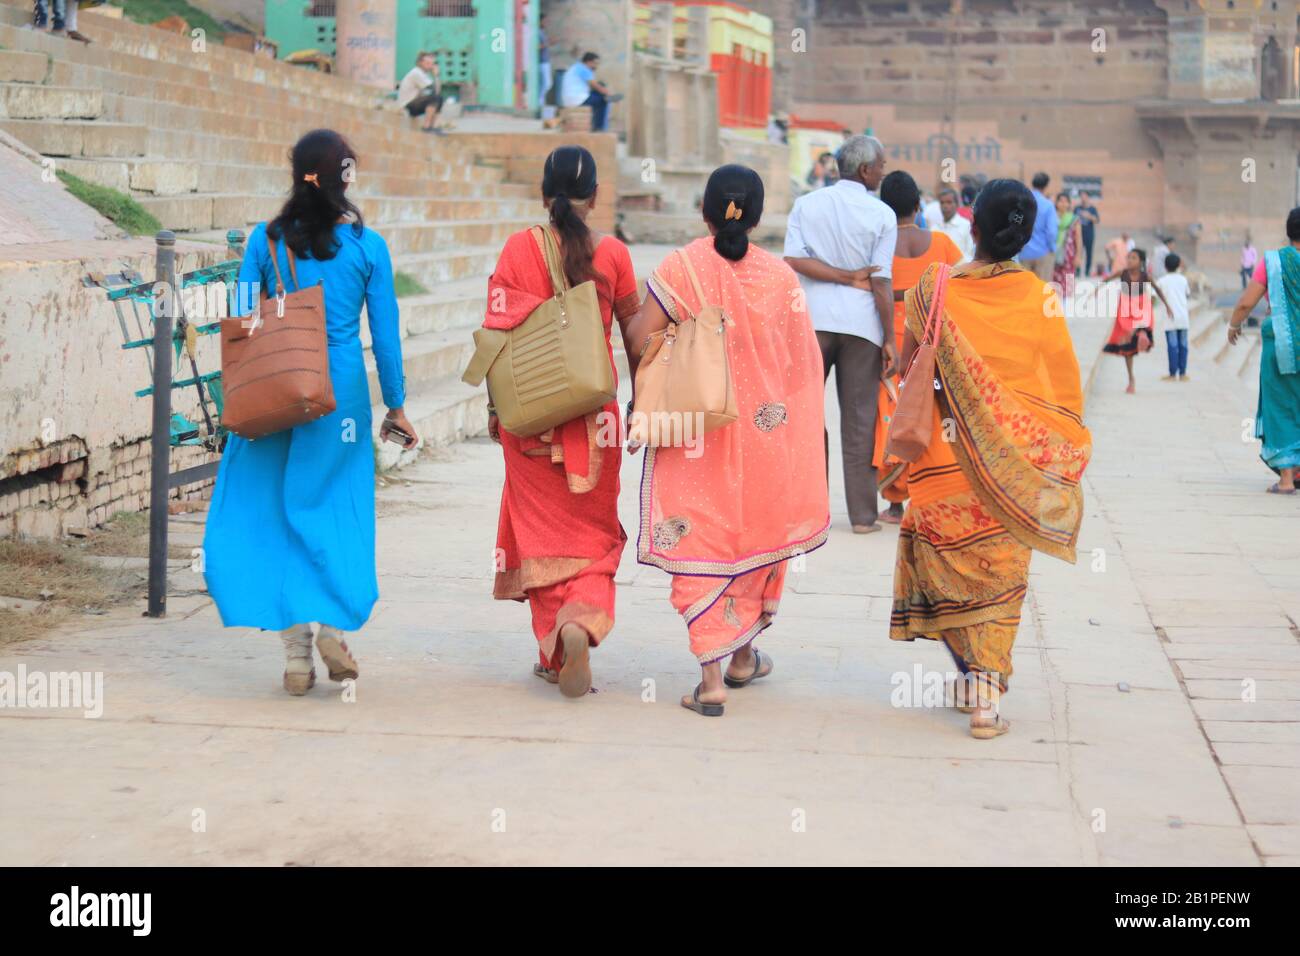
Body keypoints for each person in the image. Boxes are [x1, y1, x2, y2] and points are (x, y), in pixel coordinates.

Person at [203, 129, 415, 696]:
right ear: (345, 176)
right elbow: (386, 335)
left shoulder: (264, 240)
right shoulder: (368, 245)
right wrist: (394, 401)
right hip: (339, 392)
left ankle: (296, 654)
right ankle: (333, 626)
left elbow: (245, 320)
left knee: (273, 510)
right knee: (333, 509)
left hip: (276, 384)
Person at [890, 178, 1092, 739]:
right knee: (1001, 579)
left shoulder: (935, 286)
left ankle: (971, 674)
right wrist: (1053, 449)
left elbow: (907, 367)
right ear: (1025, 239)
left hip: (941, 461)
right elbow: (1063, 392)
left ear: (972, 228)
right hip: (1011, 466)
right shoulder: (1040, 297)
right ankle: (985, 694)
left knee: (945, 565)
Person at [625, 165, 830, 717]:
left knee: (700, 541)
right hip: (765, 436)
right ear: (759, 218)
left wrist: (646, 390)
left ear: (705, 211)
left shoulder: (681, 266)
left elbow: (641, 336)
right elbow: (800, 367)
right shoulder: (782, 279)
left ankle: (714, 677)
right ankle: (741, 655)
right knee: (750, 539)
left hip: (696, 430)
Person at [483, 145, 639, 697]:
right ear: (595, 196)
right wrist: (641, 403)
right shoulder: (615, 255)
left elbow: (496, 335)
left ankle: (555, 646)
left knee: (544, 537)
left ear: (543, 195)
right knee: (593, 537)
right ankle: (583, 620)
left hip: (529, 420)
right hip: (597, 422)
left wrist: (494, 411)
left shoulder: (516, 249)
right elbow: (636, 338)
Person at [783, 134, 896, 533]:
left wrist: (837, 276)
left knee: (807, 415)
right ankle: (864, 517)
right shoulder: (882, 214)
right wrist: (890, 338)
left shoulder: (806, 205)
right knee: (860, 419)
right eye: (881, 165)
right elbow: (881, 283)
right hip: (862, 325)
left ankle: (808, 513)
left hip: (811, 321)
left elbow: (794, 260)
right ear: (866, 170)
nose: (884, 171)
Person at [874, 170, 963, 525]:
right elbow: (962, 284)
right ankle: (930, 497)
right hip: (932, 343)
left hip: (890, 343)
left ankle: (895, 503)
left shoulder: (879, 244)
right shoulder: (942, 243)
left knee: (893, 416)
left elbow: (874, 289)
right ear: (918, 205)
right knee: (930, 413)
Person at [1227, 207, 1300, 494]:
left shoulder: (1272, 262)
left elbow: (1246, 302)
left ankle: (1285, 478)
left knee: (1280, 405)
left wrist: (1234, 325)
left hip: (1282, 345)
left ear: (1288, 230)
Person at [1102, 248, 1172, 394]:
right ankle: (1131, 379)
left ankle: (1142, 334)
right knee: (1128, 349)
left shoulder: (1145, 276)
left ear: (1140, 262)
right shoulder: (1123, 273)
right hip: (1125, 312)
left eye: (1133, 258)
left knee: (1141, 326)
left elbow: (1158, 290)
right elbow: (1106, 280)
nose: (1129, 260)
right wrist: (1095, 290)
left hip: (1141, 309)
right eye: (1128, 257)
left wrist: (1167, 306)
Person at [559, 52, 621, 132]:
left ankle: (596, 125)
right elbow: (595, 85)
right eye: (595, 63)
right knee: (603, 100)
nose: (596, 66)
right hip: (577, 100)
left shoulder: (576, 67)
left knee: (599, 96)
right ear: (588, 62)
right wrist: (609, 94)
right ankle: (600, 128)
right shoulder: (584, 69)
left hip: (569, 100)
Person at [1156, 252, 1191, 382]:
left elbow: (1154, 296)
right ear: (1178, 266)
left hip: (1169, 317)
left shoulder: (1161, 281)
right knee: (1183, 345)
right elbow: (1187, 294)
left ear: (1165, 266)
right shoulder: (1183, 279)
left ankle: (1172, 373)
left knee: (1172, 346)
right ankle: (1182, 373)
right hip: (1183, 316)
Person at [1019, 172, 1059, 281]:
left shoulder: (1022, 203)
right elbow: (1051, 232)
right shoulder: (1048, 205)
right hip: (1042, 253)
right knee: (1042, 289)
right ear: (1046, 186)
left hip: (1024, 252)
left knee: (1025, 288)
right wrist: (1052, 248)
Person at [397, 51, 443, 134]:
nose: (430, 65)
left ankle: (432, 126)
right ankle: (426, 127)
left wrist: (437, 75)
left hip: (414, 104)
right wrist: (436, 75)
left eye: (431, 63)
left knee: (439, 98)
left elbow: (438, 92)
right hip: (406, 106)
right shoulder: (416, 73)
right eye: (427, 63)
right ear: (420, 63)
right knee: (434, 98)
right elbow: (434, 90)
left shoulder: (424, 75)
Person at [931, 188, 974, 262]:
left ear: (957, 204)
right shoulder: (934, 228)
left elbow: (970, 254)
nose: (945, 206)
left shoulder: (966, 226)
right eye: (942, 203)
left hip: (961, 271)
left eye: (949, 202)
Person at [1052, 191, 1082, 291]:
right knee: (1053, 282)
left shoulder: (1074, 219)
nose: (1063, 203)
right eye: (1060, 201)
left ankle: (1066, 304)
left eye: (1066, 201)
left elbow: (1078, 239)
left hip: (1069, 255)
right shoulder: (1051, 217)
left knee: (1067, 281)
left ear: (1069, 204)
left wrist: (1078, 256)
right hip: (1052, 253)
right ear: (1056, 203)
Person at [1074, 191, 1100, 275]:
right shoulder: (1077, 208)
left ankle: (1087, 271)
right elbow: (1072, 219)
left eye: (1084, 196)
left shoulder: (1092, 209)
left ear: (1088, 197)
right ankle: (1077, 271)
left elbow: (1097, 220)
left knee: (1089, 253)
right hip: (1078, 234)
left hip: (1089, 234)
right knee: (1078, 252)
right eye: (1081, 196)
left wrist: (1088, 216)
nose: (1083, 198)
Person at [537, 14, 553, 119]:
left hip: (545, 62)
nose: (546, 23)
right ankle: (539, 106)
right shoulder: (537, 32)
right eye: (544, 21)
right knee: (545, 85)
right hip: (541, 62)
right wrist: (548, 43)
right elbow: (537, 47)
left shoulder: (541, 32)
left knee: (546, 85)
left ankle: (541, 105)